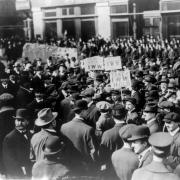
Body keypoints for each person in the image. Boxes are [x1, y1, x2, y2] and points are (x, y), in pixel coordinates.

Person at [60, 100, 99, 175]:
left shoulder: (63, 126)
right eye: (87, 110)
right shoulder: (88, 129)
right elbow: (93, 151)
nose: (87, 112)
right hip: (84, 166)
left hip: (68, 164)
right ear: (83, 111)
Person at [3, 109, 33, 179]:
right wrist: (22, 172)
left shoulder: (31, 134)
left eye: (22, 120)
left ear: (27, 121)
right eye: (17, 120)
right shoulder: (9, 138)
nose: (19, 123)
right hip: (18, 174)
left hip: (31, 171)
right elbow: (9, 160)